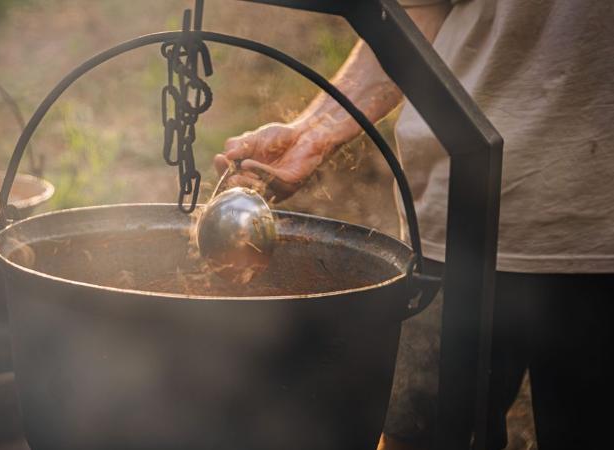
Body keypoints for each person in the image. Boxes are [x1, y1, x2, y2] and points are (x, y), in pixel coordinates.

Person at [215, 1, 614, 449]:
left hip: (602, 228)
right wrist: (312, 131)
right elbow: (414, 16)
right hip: (458, 209)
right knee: (419, 435)